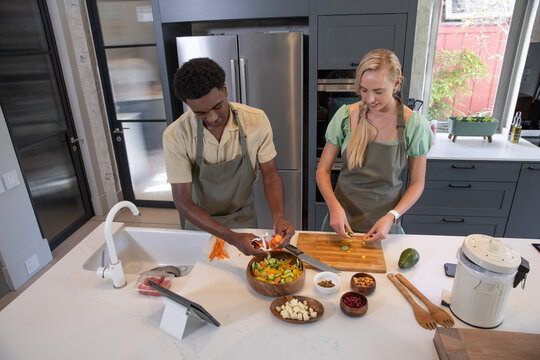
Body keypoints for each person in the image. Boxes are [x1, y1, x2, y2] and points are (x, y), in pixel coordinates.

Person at [163, 57, 295, 256]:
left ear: (225, 90)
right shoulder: (176, 134)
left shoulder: (256, 121)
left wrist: (279, 216)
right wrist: (232, 238)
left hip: (243, 219)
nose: (213, 118)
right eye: (201, 113)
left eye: (217, 106)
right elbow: (183, 201)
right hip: (200, 225)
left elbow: (270, 175)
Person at [316, 49, 433, 242]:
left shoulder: (415, 125)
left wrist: (392, 216)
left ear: (396, 83)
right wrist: (333, 206)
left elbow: (417, 184)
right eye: (363, 90)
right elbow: (323, 171)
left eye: (378, 91)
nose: (369, 99)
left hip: (385, 227)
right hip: (341, 224)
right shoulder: (346, 116)